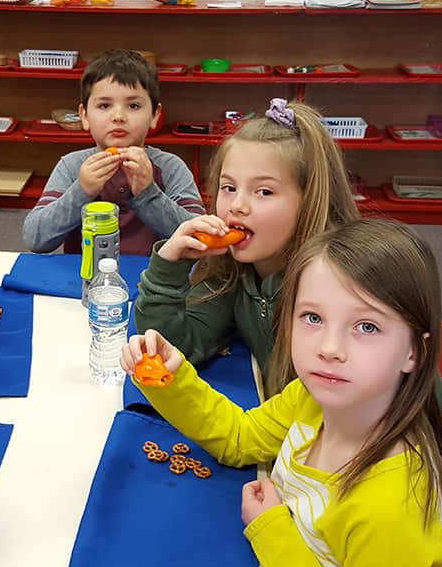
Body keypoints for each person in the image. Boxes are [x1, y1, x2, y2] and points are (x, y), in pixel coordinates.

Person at [123, 218, 442, 567]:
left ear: (415, 352)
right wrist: (171, 378)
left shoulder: (390, 511)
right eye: (313, 318)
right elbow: (239, 437)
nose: (329, 349)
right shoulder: (312, 399)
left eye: (367, 327)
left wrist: (272, 531)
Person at [134, 98, 358, 393]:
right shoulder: (235, 272)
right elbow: (177, 351)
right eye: (229, 188)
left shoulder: (340, 287)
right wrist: (169, 267)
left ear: (311, 200)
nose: (237, 206)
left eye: (263, 191)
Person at [23, 49, 204, 255]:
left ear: (155, 115)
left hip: (155, 281)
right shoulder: (72, 166)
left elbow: (198, 238)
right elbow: (35, 238)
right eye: (104, 105)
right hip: (83, 279)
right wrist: (82, 191)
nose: (118, 116)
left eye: (134, 105)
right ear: (84, 116)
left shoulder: (171, 167)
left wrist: (148, 193)